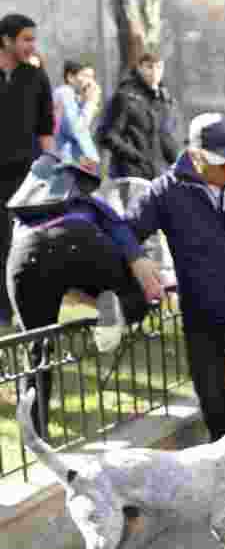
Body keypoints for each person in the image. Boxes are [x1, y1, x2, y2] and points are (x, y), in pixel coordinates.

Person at [126, 113, 225, 524]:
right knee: (216, 408)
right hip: (202, 319)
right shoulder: (166, 191)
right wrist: (138, 260)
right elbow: (124, 229)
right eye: (222, 161)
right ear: (194, 155)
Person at [6, 156, 163, 434]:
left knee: (36, 346)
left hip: (25, 255)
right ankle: (116, 306)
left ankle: (34, 433)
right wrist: (138, 272)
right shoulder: (86, 203)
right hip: (81, 239)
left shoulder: (21, 214)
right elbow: (119, 230)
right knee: (135, 299)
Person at [0, 13, 55, 329]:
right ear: (7, 40)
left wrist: (49, 170)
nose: (32, 45)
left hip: (26, 176)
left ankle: (23, 308)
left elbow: (45, 128)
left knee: (23, 243)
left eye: (33, 39)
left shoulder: (36, 78)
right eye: (26, 39)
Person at [99, 53, 178, 179]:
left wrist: (179, 164)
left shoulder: (165, 100)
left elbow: (165, 138)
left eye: (158, 67)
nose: (154, 72)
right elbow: (108, 135)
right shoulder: (125, 96)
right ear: (140, 68)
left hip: (157, 176)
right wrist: (136, 157)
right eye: (149, 67)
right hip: (129, 175)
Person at [53, 60, 101, 165]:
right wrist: (90, 103)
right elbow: (75, 130)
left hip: (73, 164)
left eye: (92, 77)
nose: (91, 83)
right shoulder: (65, 93)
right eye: (86, 76)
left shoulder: (75, 98)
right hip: (66, 165)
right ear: (70, 77)